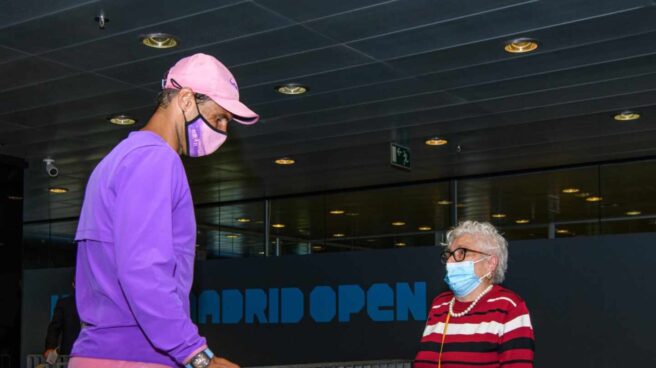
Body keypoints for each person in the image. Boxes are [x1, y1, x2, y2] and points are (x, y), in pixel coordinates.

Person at [70, 53, 259, 368]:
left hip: (102, 352)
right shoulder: (155, 159)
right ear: (186, 99)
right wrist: (198, 356)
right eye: (218, 118)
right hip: (135, 357)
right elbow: (143, 269)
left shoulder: (119, 158)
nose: (223, 132)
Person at [414, 221, 535, 368]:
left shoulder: (509, 307)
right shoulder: (440, 304)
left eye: (461, 253)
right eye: (449, 254)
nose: (451, 261)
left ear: (490, 263)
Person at [44, 284, 81, 359]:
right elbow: (54, 328)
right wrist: (51, 347)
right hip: (69, 354)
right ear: (73, 285)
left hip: (94, 354)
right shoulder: (65, 303)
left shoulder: (98, 303)